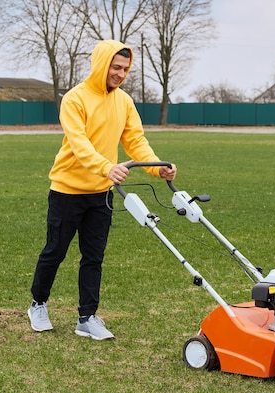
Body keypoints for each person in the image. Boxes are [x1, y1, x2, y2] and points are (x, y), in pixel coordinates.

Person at [28, 39, 176, 340]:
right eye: (115, 67)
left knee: (93, 256)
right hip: (67, 191)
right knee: (55, 251)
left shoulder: (124, 102)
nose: (120, 74)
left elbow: (136, 142)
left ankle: (87, 317)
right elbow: (80, 145)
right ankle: (38, 303)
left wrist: (156, 167)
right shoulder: (74, 99)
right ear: (101, 64)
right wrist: (106, 167)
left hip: (101, 195)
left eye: (125, 69)